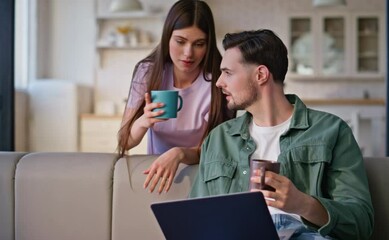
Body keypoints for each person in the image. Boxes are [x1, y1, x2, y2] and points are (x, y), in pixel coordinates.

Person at [189, 29, 374, 240]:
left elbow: (361, 224)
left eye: (228, 73)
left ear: (260, 75)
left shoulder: (331, 131)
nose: (219, 82)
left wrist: (303, 204)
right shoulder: (219, 139)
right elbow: (194, 219)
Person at [118, 0, 233, 194]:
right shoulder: (148, 72)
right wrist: (143, 121)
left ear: (208, 44)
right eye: (180, 41)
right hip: (157, 177)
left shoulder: (219, 80)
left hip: (203, 178)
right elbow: (125, 141)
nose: (188, 53)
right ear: (167, 38)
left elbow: (214, 151)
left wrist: (179, 154)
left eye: (199, 44)